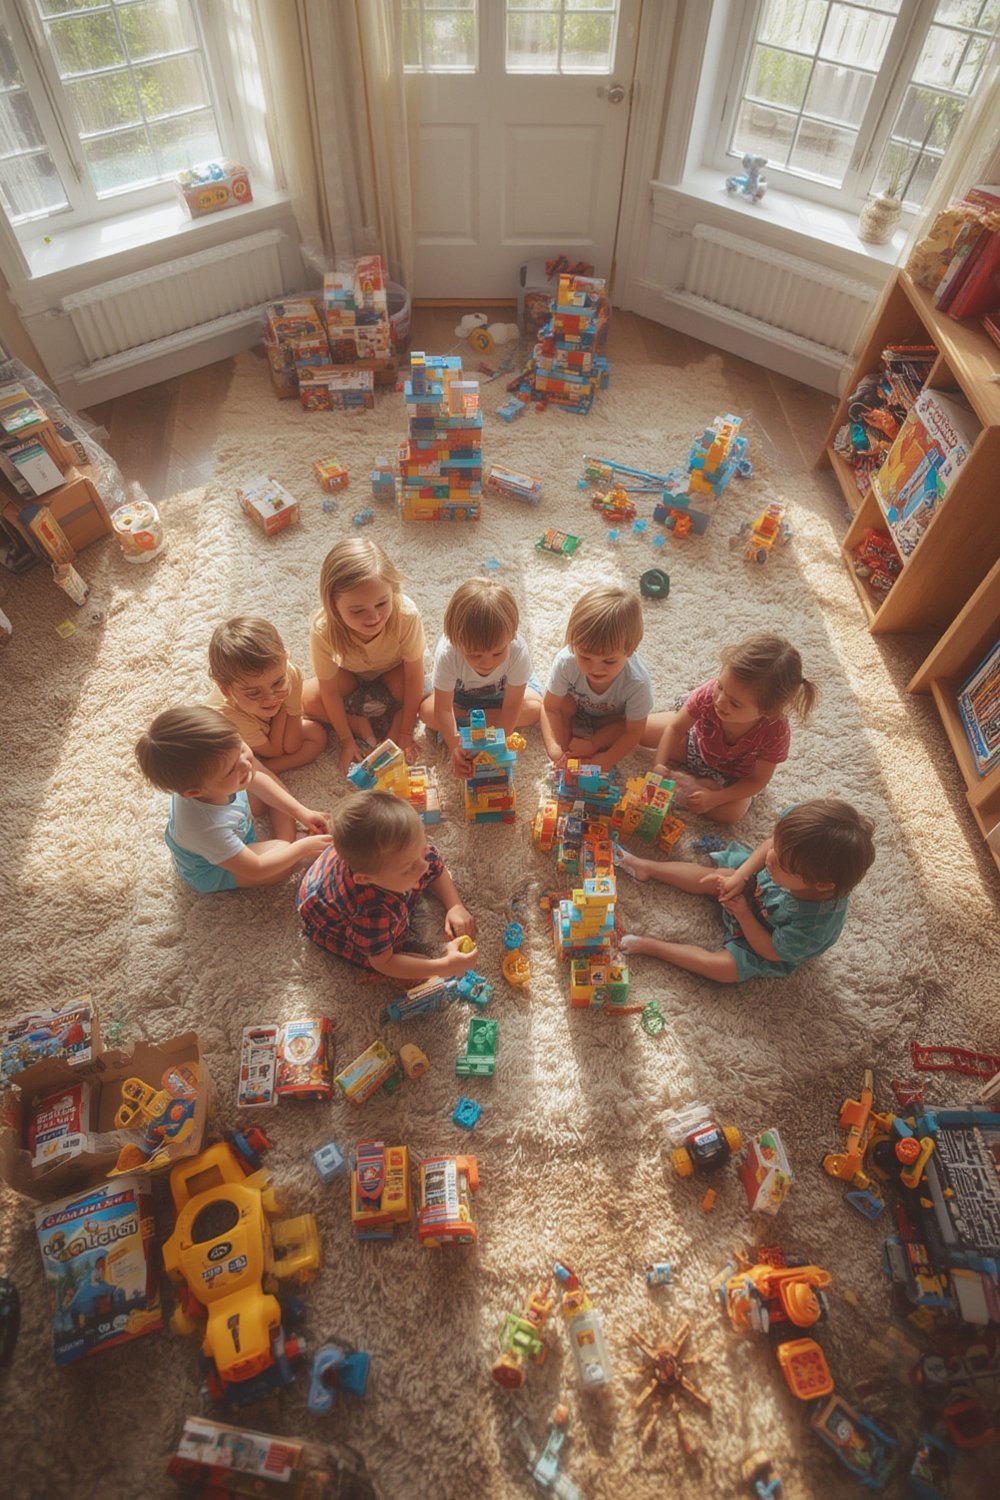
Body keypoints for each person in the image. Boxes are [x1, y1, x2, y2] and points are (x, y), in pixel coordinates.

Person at [618, 798, 875, 982]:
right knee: (718, 877)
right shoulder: (791, 848)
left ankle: (651, 946)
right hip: (755, 890)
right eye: (777, 849)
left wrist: (742, 913)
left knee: (725, 969)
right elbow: (769, 846)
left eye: (781, 863)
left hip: (765, 938)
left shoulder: (815, 926)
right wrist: (741, 876)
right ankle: (646, 867)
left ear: (821, 885)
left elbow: (770, 951)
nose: (770, 858)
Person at [135, 706, 331, 893]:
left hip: (232, 823)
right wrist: (300, 849)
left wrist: (301, 812)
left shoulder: (221, 778)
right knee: (283, 861)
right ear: (194, 792)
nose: (245, 764)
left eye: (241, 748)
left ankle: (283, 842)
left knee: (270, 785)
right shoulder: (206, 829)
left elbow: (258, 780)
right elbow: (257, 869)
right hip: (214, 868)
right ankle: (285, 844)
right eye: (230, 770)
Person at [297, 791, 478, 982]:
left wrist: (455, 905)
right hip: (323, 914)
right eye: (408, 868)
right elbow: (382, 961)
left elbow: (435, 866)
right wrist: (443, 966)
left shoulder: (408, 851)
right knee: (411, 970)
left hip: (350, 870)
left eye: (422, 848)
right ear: (366, 879)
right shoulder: (372, 911)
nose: (424, 865)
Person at [647, 634, 816, 823]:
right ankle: (701, 780)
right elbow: (675, 728)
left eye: (735, 704)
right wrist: (658, 764)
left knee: (732, 813)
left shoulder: (775, 730)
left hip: (732, 776)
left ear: (768, 711)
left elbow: (758, 781)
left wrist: (714, 798)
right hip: (696, 745)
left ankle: (705, 786)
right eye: (720, 687)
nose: (719, 701)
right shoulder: (709, 694)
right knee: (642, 730)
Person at [301, 538, 427, 776]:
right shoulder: (323, 629)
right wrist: (346, 740)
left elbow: (413, 677)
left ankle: (394, 723)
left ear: (393, 591)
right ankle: (359, 723)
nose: (373, 617)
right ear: (332, 605)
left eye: (382, 603)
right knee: (306, 700)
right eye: (357, 611)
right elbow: (328, 691)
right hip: (353, 677)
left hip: (395, 673)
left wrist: (405, 733)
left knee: (413, 690)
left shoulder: (406, 615)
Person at [419, 577, 542, 777]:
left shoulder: (517, 650)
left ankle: (473, 721)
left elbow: (512, 707)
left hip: (502, 698)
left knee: (535, 709)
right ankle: (476, 720)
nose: (487, 663)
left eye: (497, 653)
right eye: (475, 655)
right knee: (426, 712)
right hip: (462, 699)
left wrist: (495, 745)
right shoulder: (448, 652)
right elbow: (442, 708)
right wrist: (455, 746)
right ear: (456, 641)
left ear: (512, 637)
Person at [540, 585, 654, 774]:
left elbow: (633, 732)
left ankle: (592, 742)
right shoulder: (566, 661)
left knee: (625, 725)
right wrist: (555, 749)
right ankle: (568, 743)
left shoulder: (636, 682)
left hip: (611, 718)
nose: (596, 669)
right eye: (585, 657)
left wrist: (605, 758)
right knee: (564, 705)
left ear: (631, 650)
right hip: (576, 708)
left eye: (609, 661)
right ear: (573, 644)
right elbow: (549, 707)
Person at [206, 616, 326, 772]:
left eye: (277, 683)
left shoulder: (289, 673)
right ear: (225, 690)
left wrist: (284, 710)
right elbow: (274, 751)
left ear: (285, 658)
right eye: (253, 692)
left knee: (317, 733)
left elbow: (292, 745)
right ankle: (264, 771)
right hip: (249, 739)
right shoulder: (227, 716)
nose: (270, 697)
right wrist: (283, 709)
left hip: (268, 724)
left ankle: (265, 770)